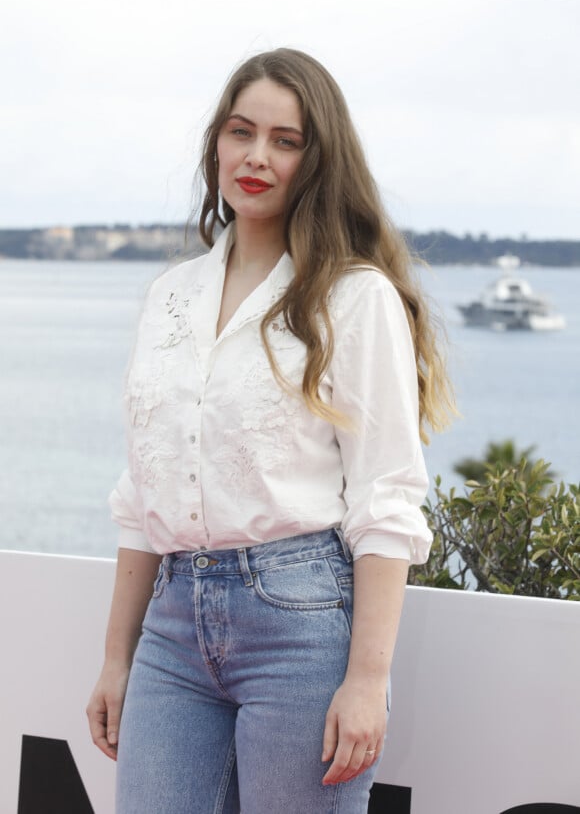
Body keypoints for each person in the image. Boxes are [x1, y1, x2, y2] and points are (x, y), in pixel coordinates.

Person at [87, 47, 453, 814]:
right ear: (216, 142)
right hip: (173, 627)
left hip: (301, 625)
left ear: (317, 161)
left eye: (286, 141)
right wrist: (116, 658)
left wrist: (367, 679)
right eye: (240, 131)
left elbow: (387, 495)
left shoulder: (354, 298)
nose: (256, 156)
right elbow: (142, 490)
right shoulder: (170, 297)